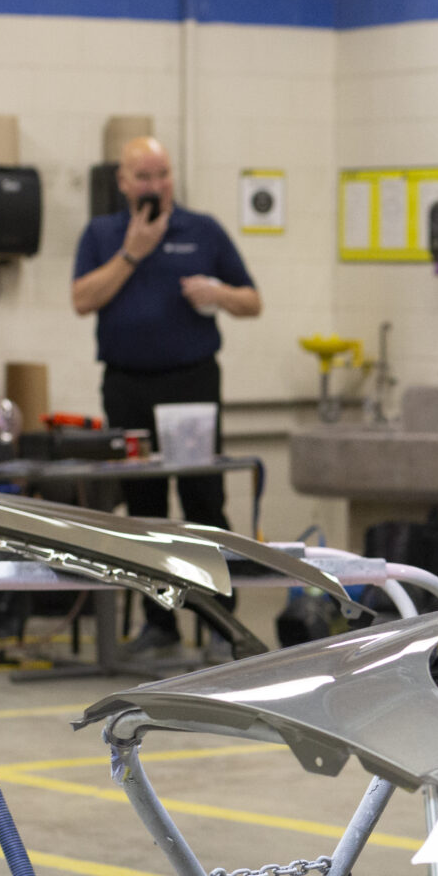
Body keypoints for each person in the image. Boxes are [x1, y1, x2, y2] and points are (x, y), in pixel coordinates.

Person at [71, 135, 261, 661]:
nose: (154, 185)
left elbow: (253, 300)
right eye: (144, 176)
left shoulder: (203, 231)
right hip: (128, 385)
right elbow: (82, 300)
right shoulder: (102, 233)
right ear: (124, 183)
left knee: (203, 501)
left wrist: (218, 294)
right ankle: (159, 623)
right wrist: (133, 253)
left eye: (162, 175)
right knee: (144, 507)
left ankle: (222, 621)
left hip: (191, 383)